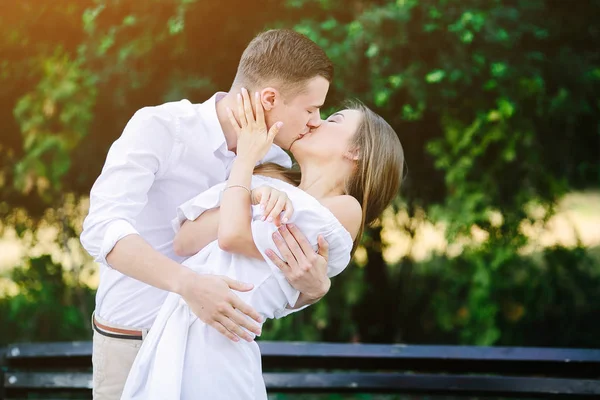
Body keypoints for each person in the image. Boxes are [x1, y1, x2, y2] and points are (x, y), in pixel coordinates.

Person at [80, 29, 337, 399]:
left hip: (213, 362)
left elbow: (262, 278)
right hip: (132, 345)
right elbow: (101, 230)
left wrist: (311, 291)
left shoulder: (276, 163)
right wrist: (188, 284)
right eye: (311, 109)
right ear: (269, 98)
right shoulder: (162, 128)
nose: (316, 121)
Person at [121, 89, 405, 399]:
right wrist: (254, 193)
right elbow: (185, 240)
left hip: (219, 350)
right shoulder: (266, 181)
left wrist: (244, 165)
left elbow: (231, 237)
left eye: (333, 119)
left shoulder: (346, 208)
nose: (315, 122)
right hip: (178, 335)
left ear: (357, 151)